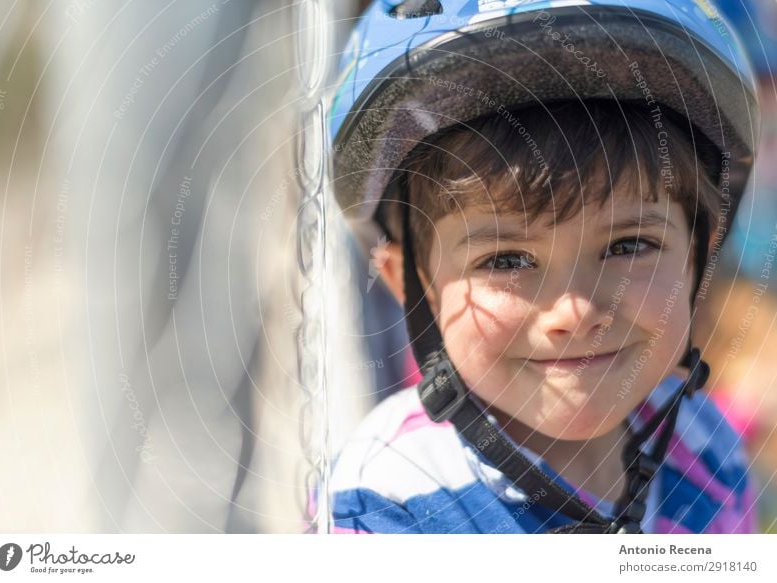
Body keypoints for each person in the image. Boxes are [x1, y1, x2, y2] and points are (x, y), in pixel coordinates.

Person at [325, 0, 761, 534]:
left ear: (700, 253)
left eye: (628, 246)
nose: (575, 312)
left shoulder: (707, 443)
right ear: (409, 284)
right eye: (506, 259)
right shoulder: (394, 498)